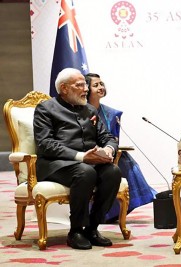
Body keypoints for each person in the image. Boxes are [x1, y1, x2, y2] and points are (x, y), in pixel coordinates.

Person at [33, 68, 122, 250]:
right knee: (85, 171)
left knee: (113, 172)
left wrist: (108, 149)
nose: (86, 89)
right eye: (80, 85)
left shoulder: (89, 109)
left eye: (85, 84)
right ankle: (76, 231)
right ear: (64, 88)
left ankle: (92, 228)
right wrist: (81, 157)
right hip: (56, 164)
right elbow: (45, 144)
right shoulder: (46, 109)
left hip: (88, 163)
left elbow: (107, 137)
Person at [85, 73, 156, 222]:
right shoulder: (81, 111)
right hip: (89, 154)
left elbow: (114, 139)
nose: (100, 87)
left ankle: (119, 209)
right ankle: (103, 213)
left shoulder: (111, 113)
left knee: (125, 160)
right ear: (87, 89)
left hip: (109, 152)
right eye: (95, 85)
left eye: (101, 84)